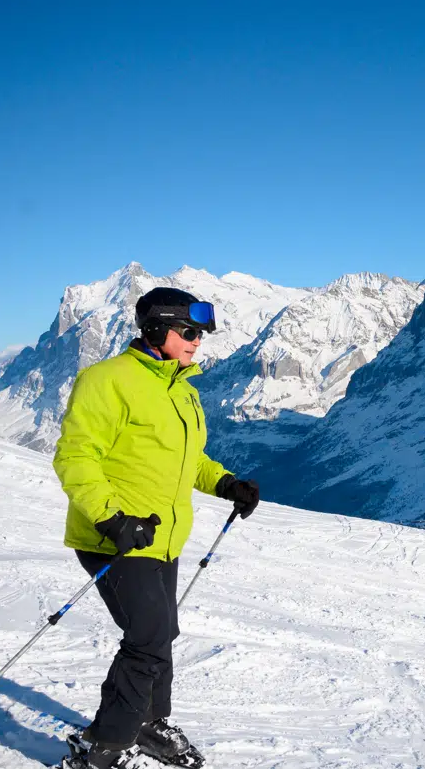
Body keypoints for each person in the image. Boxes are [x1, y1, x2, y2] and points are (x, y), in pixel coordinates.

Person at [54, 286, 261, 769]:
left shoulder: (182, 390)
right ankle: (104, 745)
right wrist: (111, 518)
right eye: (188, 331)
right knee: (148, 636)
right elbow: (75, 457)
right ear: (155, 329)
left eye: (200, 334)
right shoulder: (107, 380)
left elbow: (189, 461)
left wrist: (226, 483)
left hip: (161, 538)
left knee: (161, 633)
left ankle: (148, 723)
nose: (197, 341)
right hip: (115, 538)